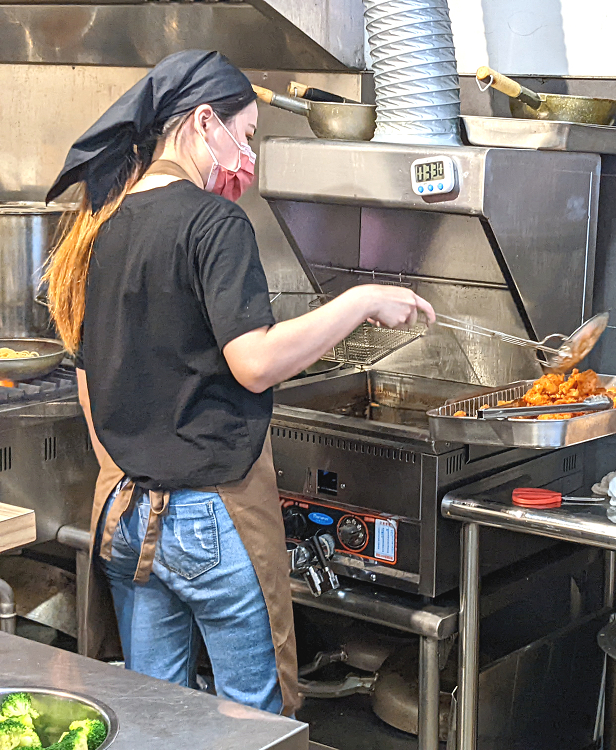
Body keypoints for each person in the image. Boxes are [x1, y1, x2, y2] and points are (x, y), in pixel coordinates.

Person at [43, 49, 435, 716]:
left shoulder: (106, 227)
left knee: (157, 717)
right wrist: (362, 300)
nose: (247, 156)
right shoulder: (212, 222)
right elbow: (253, 360)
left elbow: (88, 377)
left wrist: (135, 465)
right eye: (246, 135)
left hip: (127, 517)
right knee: (250, 721)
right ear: (203, 123)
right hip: (209, 521)